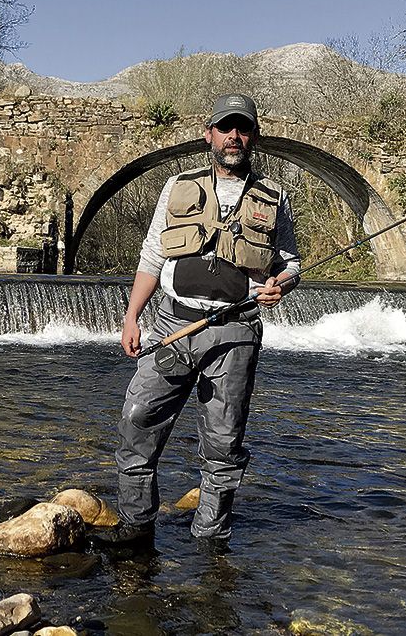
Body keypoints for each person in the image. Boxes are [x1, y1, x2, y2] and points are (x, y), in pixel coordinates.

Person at [92, 93, 301, 548]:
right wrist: (132, 317)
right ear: (209, 135)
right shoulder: (176, 186)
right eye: (225, 128)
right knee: (136, 421)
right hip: (171, 326)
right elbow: (151, 255)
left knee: (224, 445)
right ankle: (136, 528)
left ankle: (210, 539)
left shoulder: (275, 197)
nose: (234, 137)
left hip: (236, 333)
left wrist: (281, 283)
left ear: (254, 138)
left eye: (242, 129)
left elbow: (291, 262)